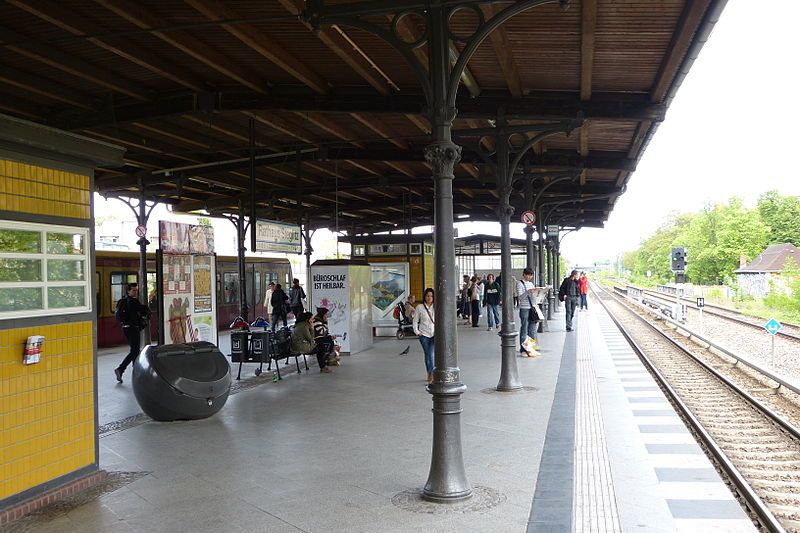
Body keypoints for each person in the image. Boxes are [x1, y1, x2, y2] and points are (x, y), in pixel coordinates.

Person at [114, 283, 151, 383]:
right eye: (133, 290)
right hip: (133, 329)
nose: (135, 292)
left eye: (136, 290)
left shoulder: (123, 301)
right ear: (128, 291)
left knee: (134, 350)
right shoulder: (133, 302)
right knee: (135, 351)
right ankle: (122, 369)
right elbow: (143, 312)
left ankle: (133, 372)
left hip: (126, 328)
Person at [412, 288, 436, 384]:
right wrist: (417, 332)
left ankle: (431, 373)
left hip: (434, 334)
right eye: (427, 296)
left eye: (431, 296)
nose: (429, 298)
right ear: (424, 297)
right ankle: (430, 373)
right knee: (429, 354)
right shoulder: (420, 307)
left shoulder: (436, 307)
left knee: (430, 354)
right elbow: (415, 320)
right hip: (424, 335)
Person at [516, 268, 539, 353]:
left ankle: (530, 349)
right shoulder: (519, 283)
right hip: (524, 308)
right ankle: (523, 350)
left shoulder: (531, 284)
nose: (530, 277)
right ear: (524, 274)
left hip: (532, 308)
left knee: (532, 329)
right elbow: (520, 298)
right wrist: (528, 292)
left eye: (531, 275)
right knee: (524, 328)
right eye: (528, 275)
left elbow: (534, 296)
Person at [312, 307, 337, 373]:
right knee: (322, 348)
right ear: (322, 314)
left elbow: (325, 332)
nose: (327, 316)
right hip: (316, 339)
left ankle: (325, 362)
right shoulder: (316, 321)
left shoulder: (322, 320)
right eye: (326, 314)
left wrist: (330, 336)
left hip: (320, 338)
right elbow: (320, 332)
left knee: (330, 343)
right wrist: (325, 323)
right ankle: (323, 365)